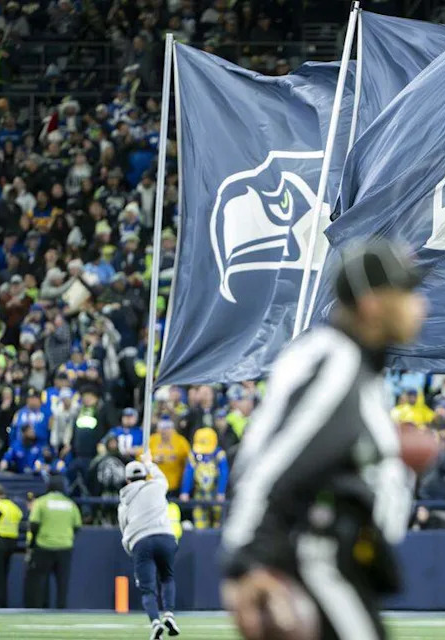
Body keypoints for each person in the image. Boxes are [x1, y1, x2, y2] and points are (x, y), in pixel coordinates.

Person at [220, 241, 426, 640]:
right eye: (406, 293)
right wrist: (244, 564)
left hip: (339, 564)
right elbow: (269, 466)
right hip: (318, 565)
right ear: (371, 303)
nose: (420, 306)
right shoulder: (337, 362)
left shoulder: (354, 366)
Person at [119, 453, 180, 640]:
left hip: (141, 541)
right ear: (145, 475)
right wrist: (149, 463)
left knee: (148, 589)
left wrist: (132, 550)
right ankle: (169, 614)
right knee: (167, 578)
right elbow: (162, 477)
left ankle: (155, 623)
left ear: (127, 479)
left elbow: (124, 530)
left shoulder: (124, 502)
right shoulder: (157, 486)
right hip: (165, 536)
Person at [24, 476, 81, 608]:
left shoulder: (41, 502)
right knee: (62, 582)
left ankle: (40, 608)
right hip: (64, 546)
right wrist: (67, 536)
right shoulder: (70, 504)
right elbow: (77, 525)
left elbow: (34, 524)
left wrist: (33, 543)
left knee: (40, 581)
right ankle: (61, 608)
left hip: (44, 545)